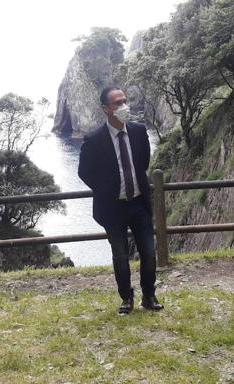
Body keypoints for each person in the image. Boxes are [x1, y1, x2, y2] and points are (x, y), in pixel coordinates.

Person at [78, 86, 163, 314]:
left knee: (148, 252)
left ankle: (149, 295)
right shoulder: (94, 139)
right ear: (106, 109)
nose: (124, 106)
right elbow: (84, 172)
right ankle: (126, 298)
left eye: (125, 100)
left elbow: (143, 163)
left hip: (138, 203)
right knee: (120, 256)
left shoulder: (138, 131)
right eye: (117, 103)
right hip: (113, 207)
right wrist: (107, 190)